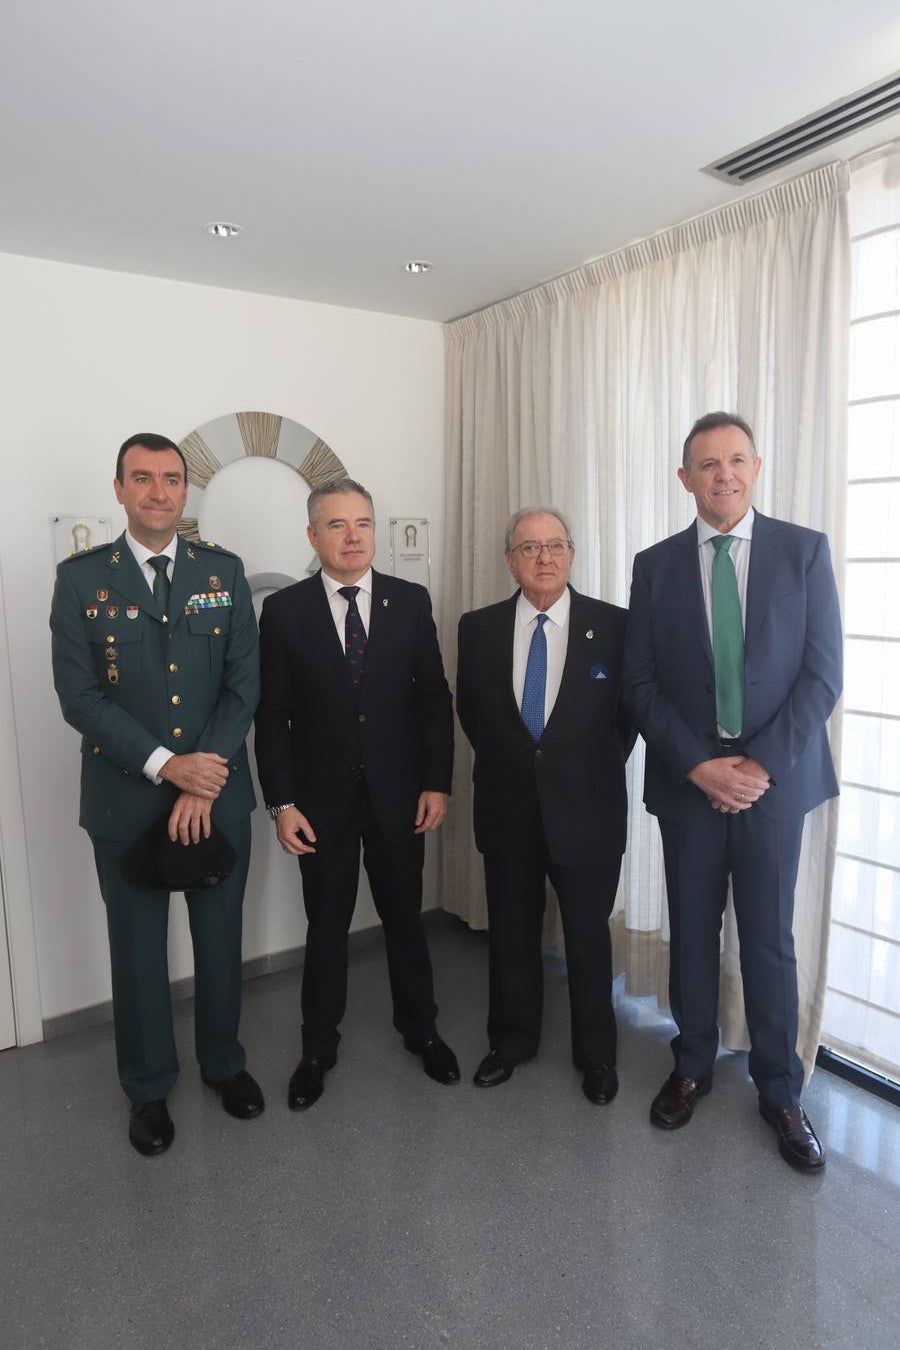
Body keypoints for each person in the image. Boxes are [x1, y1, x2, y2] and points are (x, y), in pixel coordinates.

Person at [622, 411, 842, 1172]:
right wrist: (700, 766)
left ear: (756, 467)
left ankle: (781, 1091)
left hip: (774, 788)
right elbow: (640, 684)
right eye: (706, 464)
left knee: (769, 943)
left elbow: (822, 677)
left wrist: (756, 769)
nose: (723, 474)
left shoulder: (804, 553)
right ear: (685, 478)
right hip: (689, 785)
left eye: (736, 460)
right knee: (691, 932)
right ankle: (691, 1067)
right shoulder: (653, 566)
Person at [50, 433, 264, 1157]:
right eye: (142, 479)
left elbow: (244, 684)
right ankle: (147, 1089)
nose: (158, 491)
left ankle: (224, 1065)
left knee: (221, 938)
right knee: (138, 952)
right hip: (126, 801)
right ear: (119, 489)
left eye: (170, 479)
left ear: (184, 491)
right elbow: (78, 697)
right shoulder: (80, 579)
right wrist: (170, 767)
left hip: (218, 795)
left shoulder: (222, 571)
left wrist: (203, 776)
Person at [254, 476, 459, 1110]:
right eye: (337, 526)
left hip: (401, 797)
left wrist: (436, 783)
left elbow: (433, 700)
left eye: (363, 524)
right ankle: (318, 1047)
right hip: (320, 806)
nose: (352, 537)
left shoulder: (410, 600)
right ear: (313, 535)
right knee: (327, 925)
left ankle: (420, 1030)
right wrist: (282, 804)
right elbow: (272, 716)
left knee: (404, 917)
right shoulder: (284, 611)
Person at [456, 508, 633, 1103]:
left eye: (555, 545)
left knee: (588, 939)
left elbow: (625, 723)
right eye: (529, 547)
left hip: (588, 811)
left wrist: (574, 765)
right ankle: (511, 1041)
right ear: (510, 560)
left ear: (572, 554)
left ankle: (597, 1058)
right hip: (508, 810)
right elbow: (475, 716)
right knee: (511, 934)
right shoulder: (476, 628)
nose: (544, 557)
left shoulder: (615, 626)